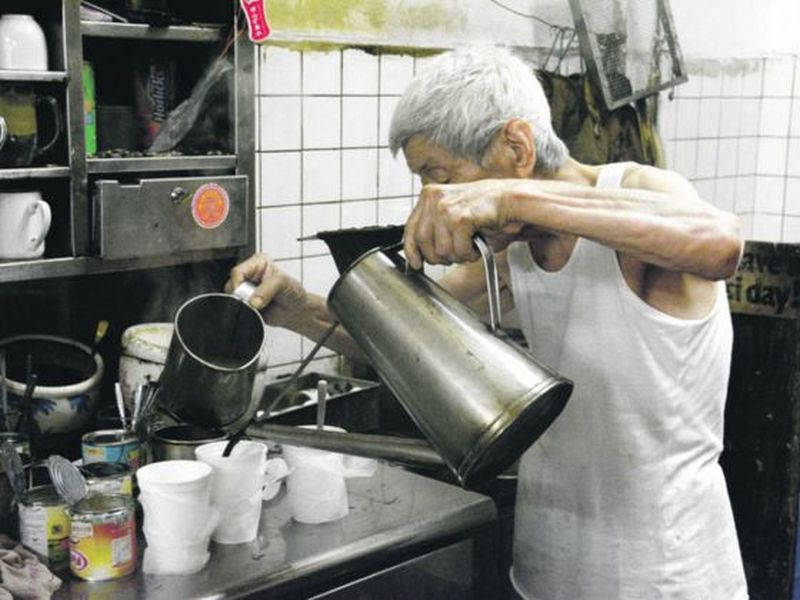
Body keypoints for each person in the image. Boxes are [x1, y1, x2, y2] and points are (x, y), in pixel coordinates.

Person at [226, 47, 748, 599]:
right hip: (547, 569)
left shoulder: (637, 197)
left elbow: (720, 243)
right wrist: (300, 309)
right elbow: (409, 343)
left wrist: (508, 197)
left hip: (664, 577)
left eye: (442, 177)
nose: (437, 199)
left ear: (517, 147)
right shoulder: (509, 253)